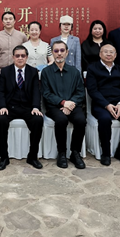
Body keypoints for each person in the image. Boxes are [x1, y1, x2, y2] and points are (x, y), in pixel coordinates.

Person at [85, 43, 120, 166]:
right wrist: (107, 105)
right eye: (105, 51)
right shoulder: (93, 68)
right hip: (101, 104)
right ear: (100, 54)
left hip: (119, 104)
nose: (109, 54)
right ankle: (106, 153)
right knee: (105, 119)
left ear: (116, 55)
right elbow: (92, 90)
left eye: (111, 52)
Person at [0, 45, 44, 171]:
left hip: (27, 107)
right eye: (17, 56)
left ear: (27, 57)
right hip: (10, 107)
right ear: (13, 57)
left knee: (38, 120)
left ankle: (32, 156)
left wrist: (35, 107)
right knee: (0, 120)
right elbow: (0, 91)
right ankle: (4, 157)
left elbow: (36, 91)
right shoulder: (5, 71)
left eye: (23, 56)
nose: (20, 58)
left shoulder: (33, 71)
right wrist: (2, 106)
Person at [41, 41, 86, 169]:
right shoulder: (46, 72)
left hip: (73, 105)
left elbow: (80, 92)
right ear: (52, 53)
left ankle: (75, 152)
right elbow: (46, 93)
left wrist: (70, 104)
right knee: (61, 120)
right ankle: (61, 153)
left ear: (67, 53)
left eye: (62, 50)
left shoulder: (74, 71)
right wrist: (63, 102)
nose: (59, 53)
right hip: (54, 106)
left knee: (81, 120)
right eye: (56, 51)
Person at [0, 11, 28, 82]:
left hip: (18, 71)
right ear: (2, 22)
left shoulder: (22, 36)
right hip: (1, 70)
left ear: (14, 21)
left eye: (10, 19)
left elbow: (26, 54)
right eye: (6, 19)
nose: (8, 21)